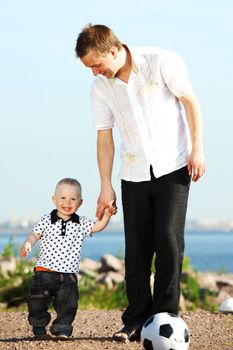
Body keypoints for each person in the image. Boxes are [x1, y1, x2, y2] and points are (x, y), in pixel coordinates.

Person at [75, 24, 206, 342]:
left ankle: (167, 317)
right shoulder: (100, 88)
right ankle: (135, 319)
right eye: (89, 68)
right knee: (136, 251)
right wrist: (105, 186)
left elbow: (190, 102)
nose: (94, 73)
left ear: (114, 50)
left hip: (173, 167)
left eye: (96, 64)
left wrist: (197, 149)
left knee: (168, 242)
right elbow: (104, 138)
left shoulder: (161, 61)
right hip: (132, 173)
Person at [20, 177, 111, 340]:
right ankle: (39, 326)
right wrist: (28, 243)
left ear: (80, 203)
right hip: (44, 272)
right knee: (37, 301)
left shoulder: (81, 223)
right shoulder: (46, 220)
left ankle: (62, 329)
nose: (67, 202)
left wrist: (107, 216)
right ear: (54, 199)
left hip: (68, 276)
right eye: (62, 198)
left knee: (68, 305)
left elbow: (97, 226)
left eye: (73, 199)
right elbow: (35, 234)